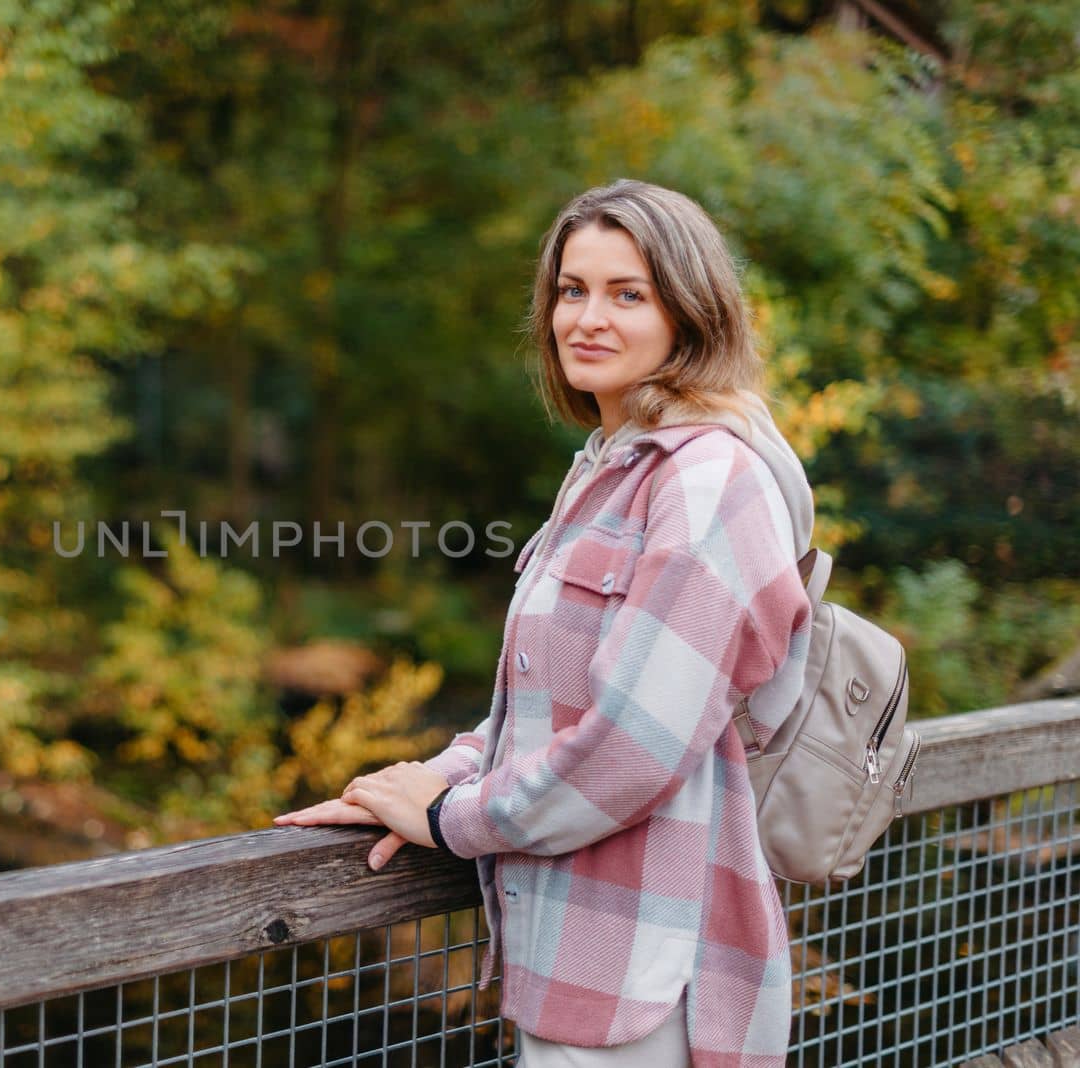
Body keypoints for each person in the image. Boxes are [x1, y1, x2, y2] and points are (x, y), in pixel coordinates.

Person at [275, 178, 815, 1067]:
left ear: (691, 313)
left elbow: (631, 748)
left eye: (627, 294)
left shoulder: (708, 480)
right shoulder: (608, 469)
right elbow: (544, 704)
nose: (587, 318)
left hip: (650, 976)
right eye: (573, 290)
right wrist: (414, 784)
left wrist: (452, 817)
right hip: (572, 959)